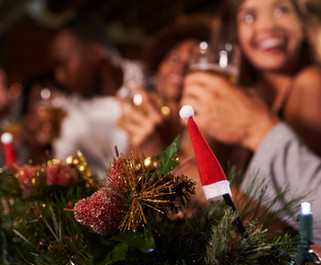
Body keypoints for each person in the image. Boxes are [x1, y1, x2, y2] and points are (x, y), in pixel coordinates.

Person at [180, 0, 321, 241]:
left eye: (281, 10)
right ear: (235, 34)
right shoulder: (253, 99)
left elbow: (297, 223)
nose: (268, 25)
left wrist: (196, 181)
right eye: (249, 17)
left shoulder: (310, 83)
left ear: (301, 23)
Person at [47, 16, 145, 179]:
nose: (59, 78)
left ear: (95, 52)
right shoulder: (68, 111)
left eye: (62, 63)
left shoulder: (149, 82)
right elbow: (61, 172)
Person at [118, 15, 216, 159]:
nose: (180, 67)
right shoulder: (136, 114)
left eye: (191, 63)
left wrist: (163, 150)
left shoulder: (206, 124)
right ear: (157, 70)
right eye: (173, 58)